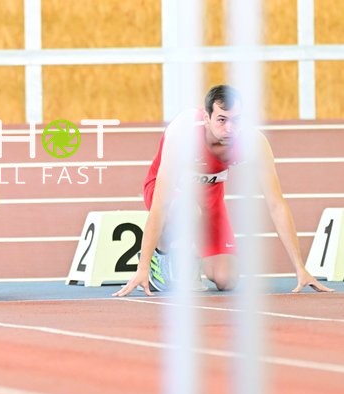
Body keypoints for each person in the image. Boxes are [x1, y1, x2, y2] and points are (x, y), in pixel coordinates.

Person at [114, 84, 332, 297]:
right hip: (169, 194)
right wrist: (142, 268)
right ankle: (161, 258)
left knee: (227, 279)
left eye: (236, 120)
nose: (230, 128)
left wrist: (300, 268)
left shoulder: (253, 142)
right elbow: (160, 206)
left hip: (210, 198)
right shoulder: (184, 135)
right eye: (221, 120)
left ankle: (191, 255)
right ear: (206, 118)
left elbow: (276, 204)